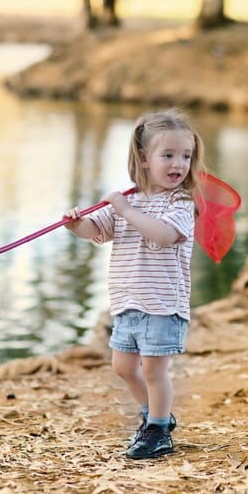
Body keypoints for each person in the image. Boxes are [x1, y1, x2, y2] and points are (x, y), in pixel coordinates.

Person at [63, 109, 205, 459]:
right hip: (127, 301)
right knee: (123, 367)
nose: (179, 164)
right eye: (168, 155)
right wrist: (75, 224)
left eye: (185, 156)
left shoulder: (180, 202)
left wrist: (126, 211)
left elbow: (165, 234)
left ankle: (158, 431)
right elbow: (96, 231)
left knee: (154, 369)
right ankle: (154, 418)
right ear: (144, 158)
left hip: (162, 303)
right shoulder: (131, 199)